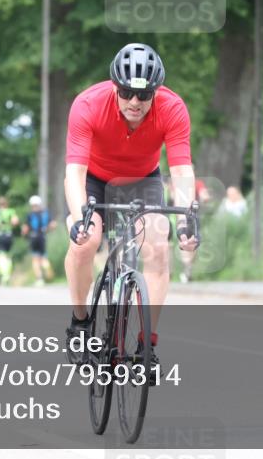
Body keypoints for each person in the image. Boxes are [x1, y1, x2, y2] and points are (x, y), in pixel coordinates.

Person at [65, 43, 199, 368]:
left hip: (142, 180)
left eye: (144, 94)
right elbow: (74, 172)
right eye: (126, 93)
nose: (135, 102)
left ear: (156, 91)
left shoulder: (173, 108)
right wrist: (80, 218)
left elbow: (181, 170)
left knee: (157, 247)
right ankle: (80, 320)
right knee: (87, 242)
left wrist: (187, 219)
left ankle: (145, 345)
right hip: (94, 180)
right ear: (115, 86)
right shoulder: (87, 104)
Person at [22, 195, 56, 286]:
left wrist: (23, 234)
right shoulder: (45, 213)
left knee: (35, 259)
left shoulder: (30, 215)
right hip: (43, 237)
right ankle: (47, 267)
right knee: (43, 257)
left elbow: (25, 229)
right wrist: (47, 230)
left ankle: (39, 279)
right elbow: (53, 225)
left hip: (33, 237)